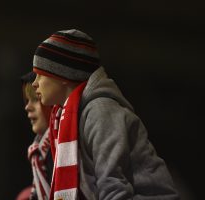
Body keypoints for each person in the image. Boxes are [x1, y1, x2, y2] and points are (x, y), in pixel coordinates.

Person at [31, 29, 180, 200]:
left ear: (62, 75)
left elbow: (113, 186)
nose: (35, 84)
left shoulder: (100, 111)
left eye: (40, 75)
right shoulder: (67, 117)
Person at [16, 72, 53, 200]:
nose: (27, 107)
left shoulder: (65, 150)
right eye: (27, 100)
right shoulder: (39, 153)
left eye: (36, 99)